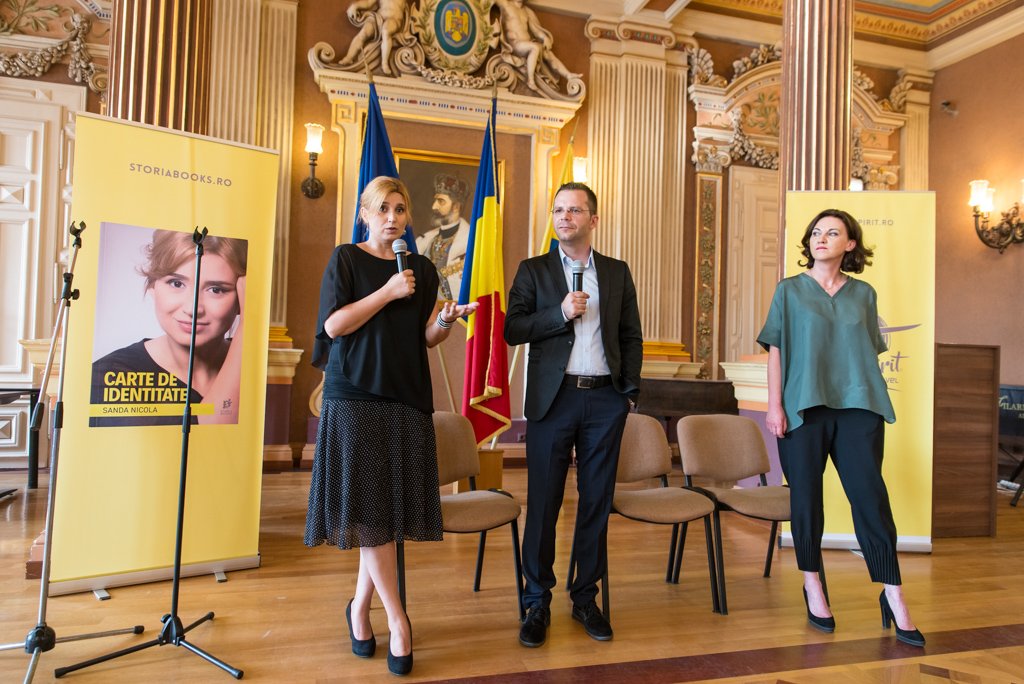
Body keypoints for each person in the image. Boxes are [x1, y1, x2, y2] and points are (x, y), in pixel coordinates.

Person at [306, 176, 477, 676]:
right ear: (365, 214)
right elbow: (334, 326)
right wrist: (385, 292)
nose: (393, 218)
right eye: (382, 209)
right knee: (370, 507)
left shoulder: (419, 268)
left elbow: (423, 337)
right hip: (355, 395)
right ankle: (398, 621)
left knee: (380, 512)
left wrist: (445, 321)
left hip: (405, 395)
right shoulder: (346, 259)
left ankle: (359, 608)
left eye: (400, 210)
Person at [757, 208, 925, 647]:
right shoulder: (789, 291)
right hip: (802, 409)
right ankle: (813, 584)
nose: (821, 238)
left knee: (870, 498)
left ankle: (894, 593)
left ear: (850, 244)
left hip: (858, 407)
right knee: (806, 500)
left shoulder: (864, 294)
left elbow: (865, 350)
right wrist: (774, 407)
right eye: (816, 232)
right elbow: (776, 351)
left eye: (832, 233)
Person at [504, 181, 643, 647]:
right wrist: (559, 313)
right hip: (554, 399)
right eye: (558, 210)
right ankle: (536, 601)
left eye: (575, 210)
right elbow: (512, 329)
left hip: (604, 401)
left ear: (593, 220)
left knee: (595, 502)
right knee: (544, 502)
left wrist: (628, 394)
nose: (564, 217)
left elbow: (631, 336)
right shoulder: (534, 270)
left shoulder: (617, 272)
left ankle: (585, 597)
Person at [89, 229, 246, 427]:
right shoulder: (109, 375)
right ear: (152, 286)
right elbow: (208, 438)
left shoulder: (257, 367)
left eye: (216, 290)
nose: (192, 308)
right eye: (176, 283)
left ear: (241, 298)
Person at [415, 173, 470, 302]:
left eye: (441, 201)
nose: (434, 206)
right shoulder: (424, 240)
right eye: (435, 201)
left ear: (456, 207)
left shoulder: (472, 241)